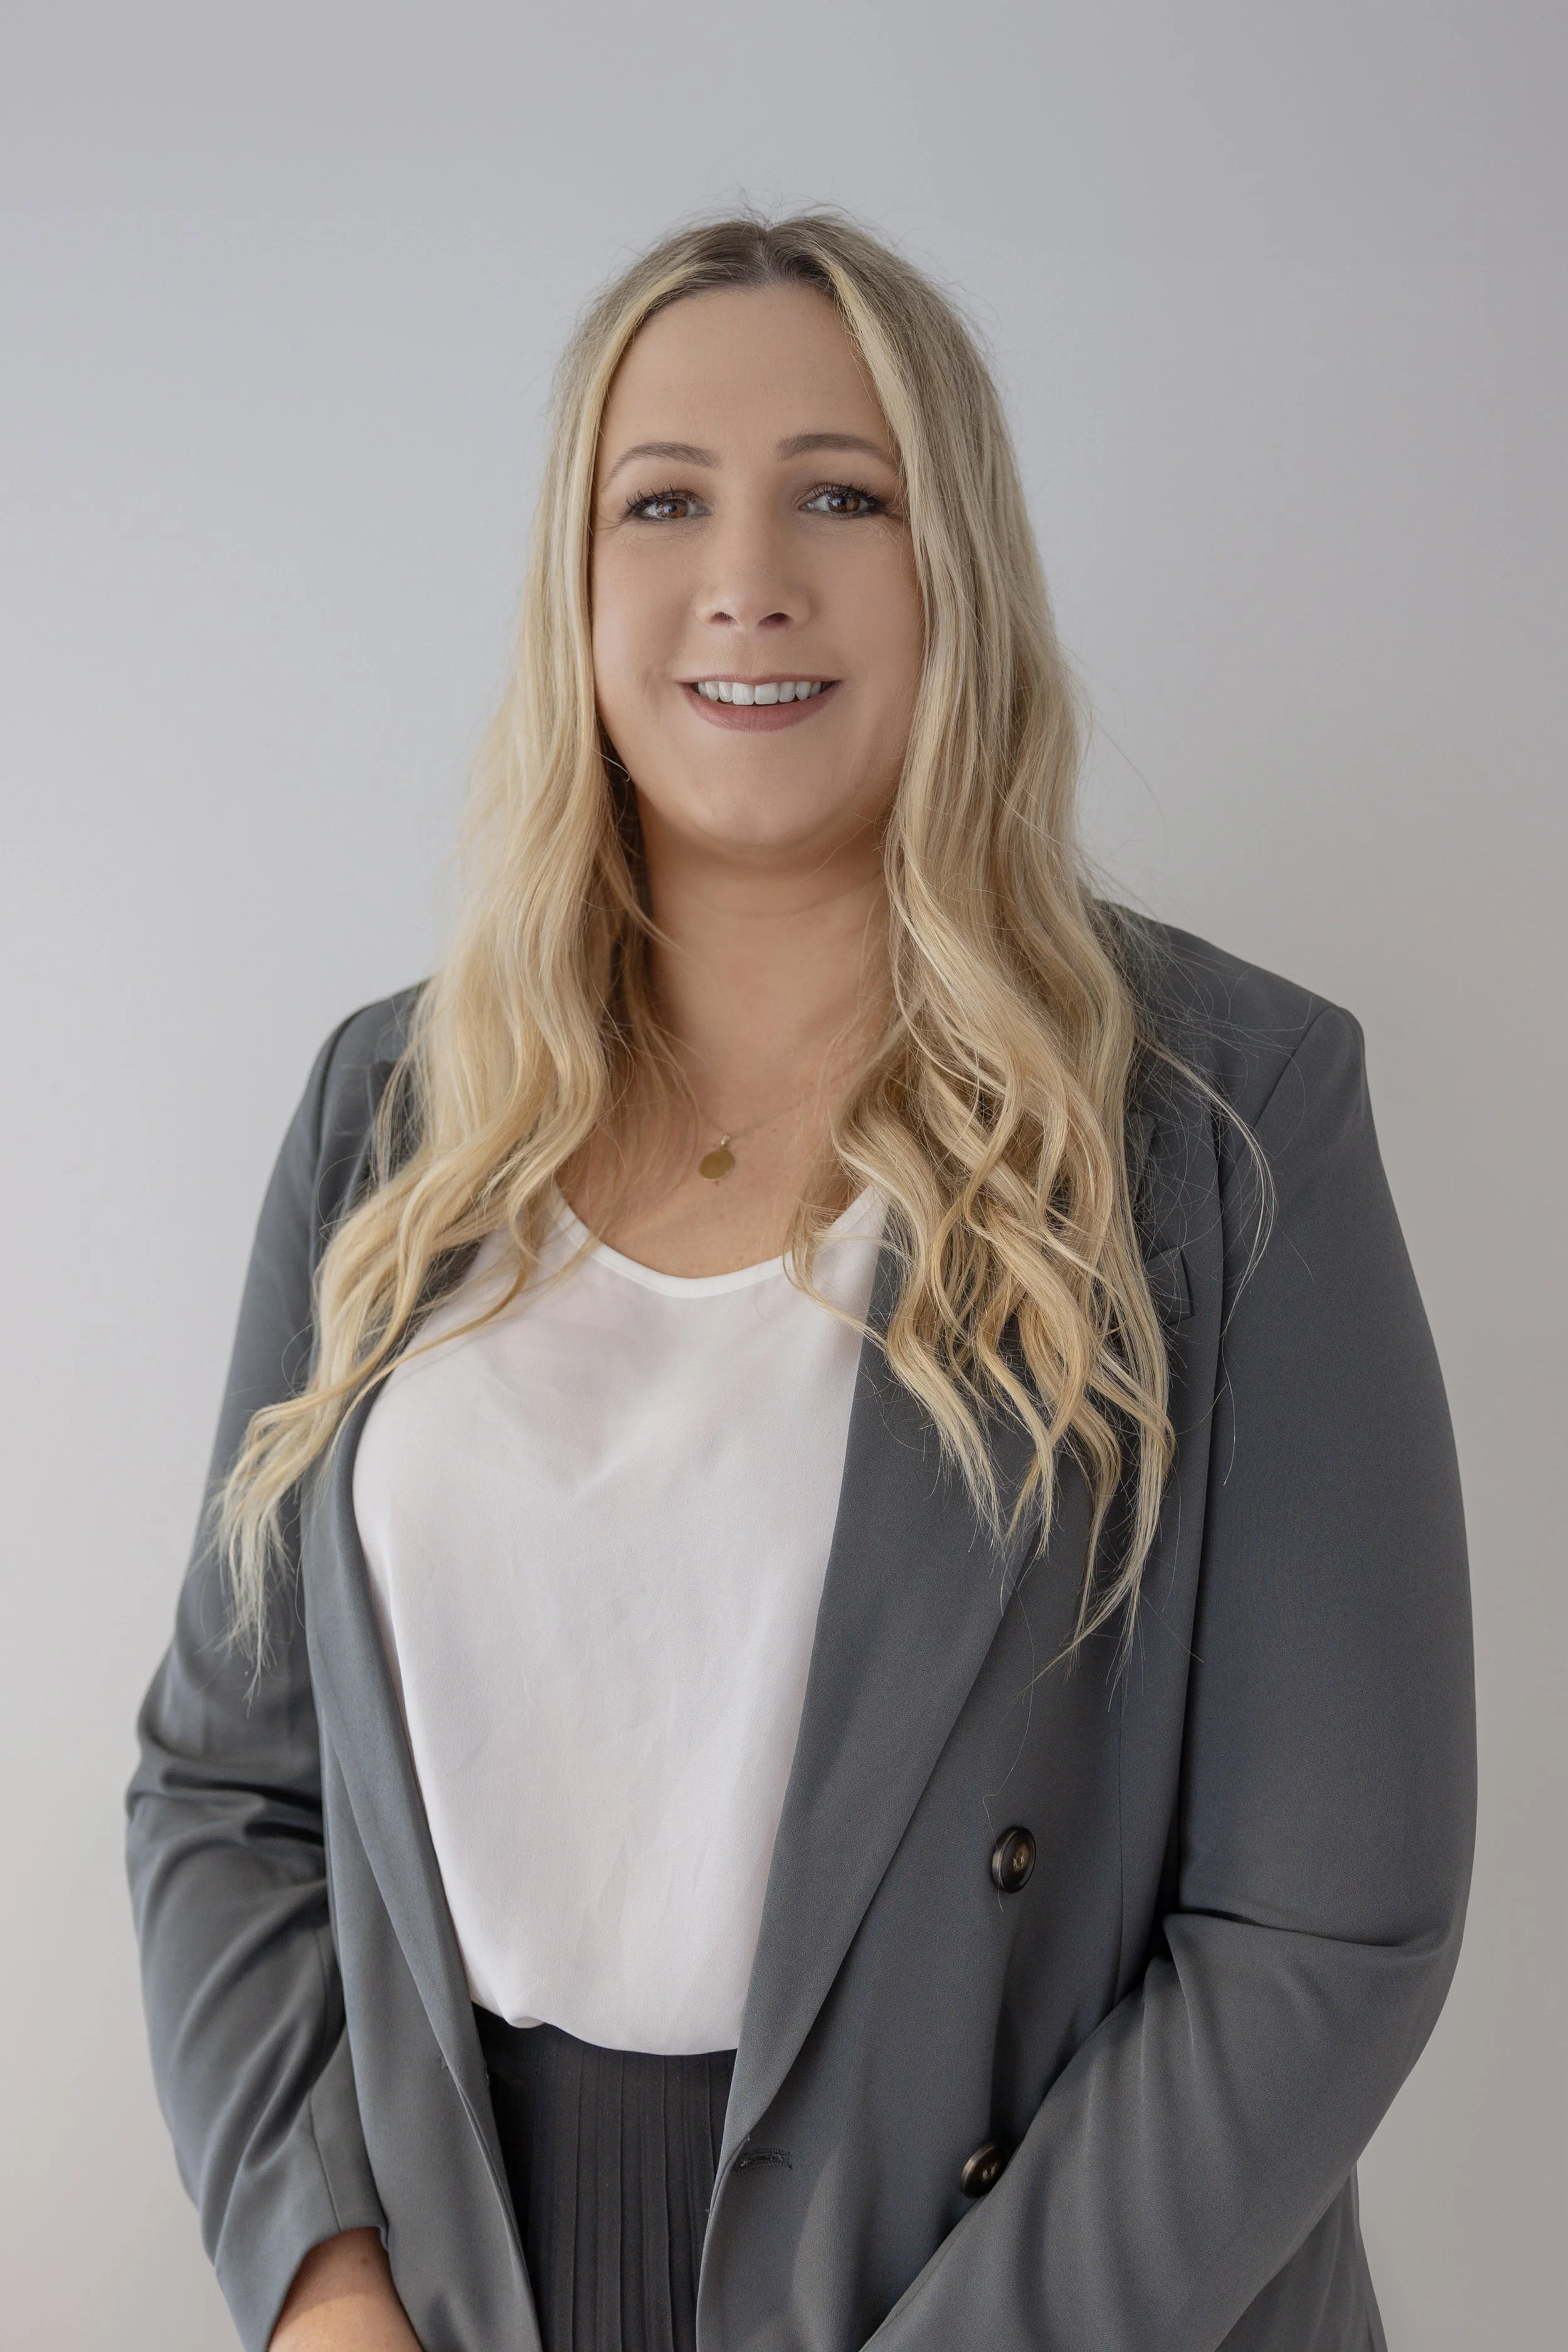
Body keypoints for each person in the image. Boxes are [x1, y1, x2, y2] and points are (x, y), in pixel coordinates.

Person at [127, 211, 1475, 2352]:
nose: (746, 573)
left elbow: (1329, 1925)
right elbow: (226, 1789)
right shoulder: (390, 1114)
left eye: (840, 494)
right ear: (575, 587)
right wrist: (320, 2280)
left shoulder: (1229, 1127)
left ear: (958, 572)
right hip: (472, 2281)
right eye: (660, 499)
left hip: (1016, 2292)